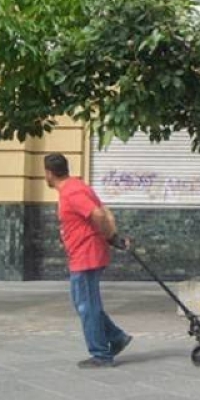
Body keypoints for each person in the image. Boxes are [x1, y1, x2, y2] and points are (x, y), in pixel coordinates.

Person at [44, 153, 133, 368]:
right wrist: (111, 237)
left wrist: (110, 237)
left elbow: (98, 215)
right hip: (85, 253)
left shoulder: (71, 191)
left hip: (86, 254)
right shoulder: (78, 186)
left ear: (48, 173)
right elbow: (103, 212)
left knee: (86, 306)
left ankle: (101, 354)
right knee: (85, 303)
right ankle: (116, 337)